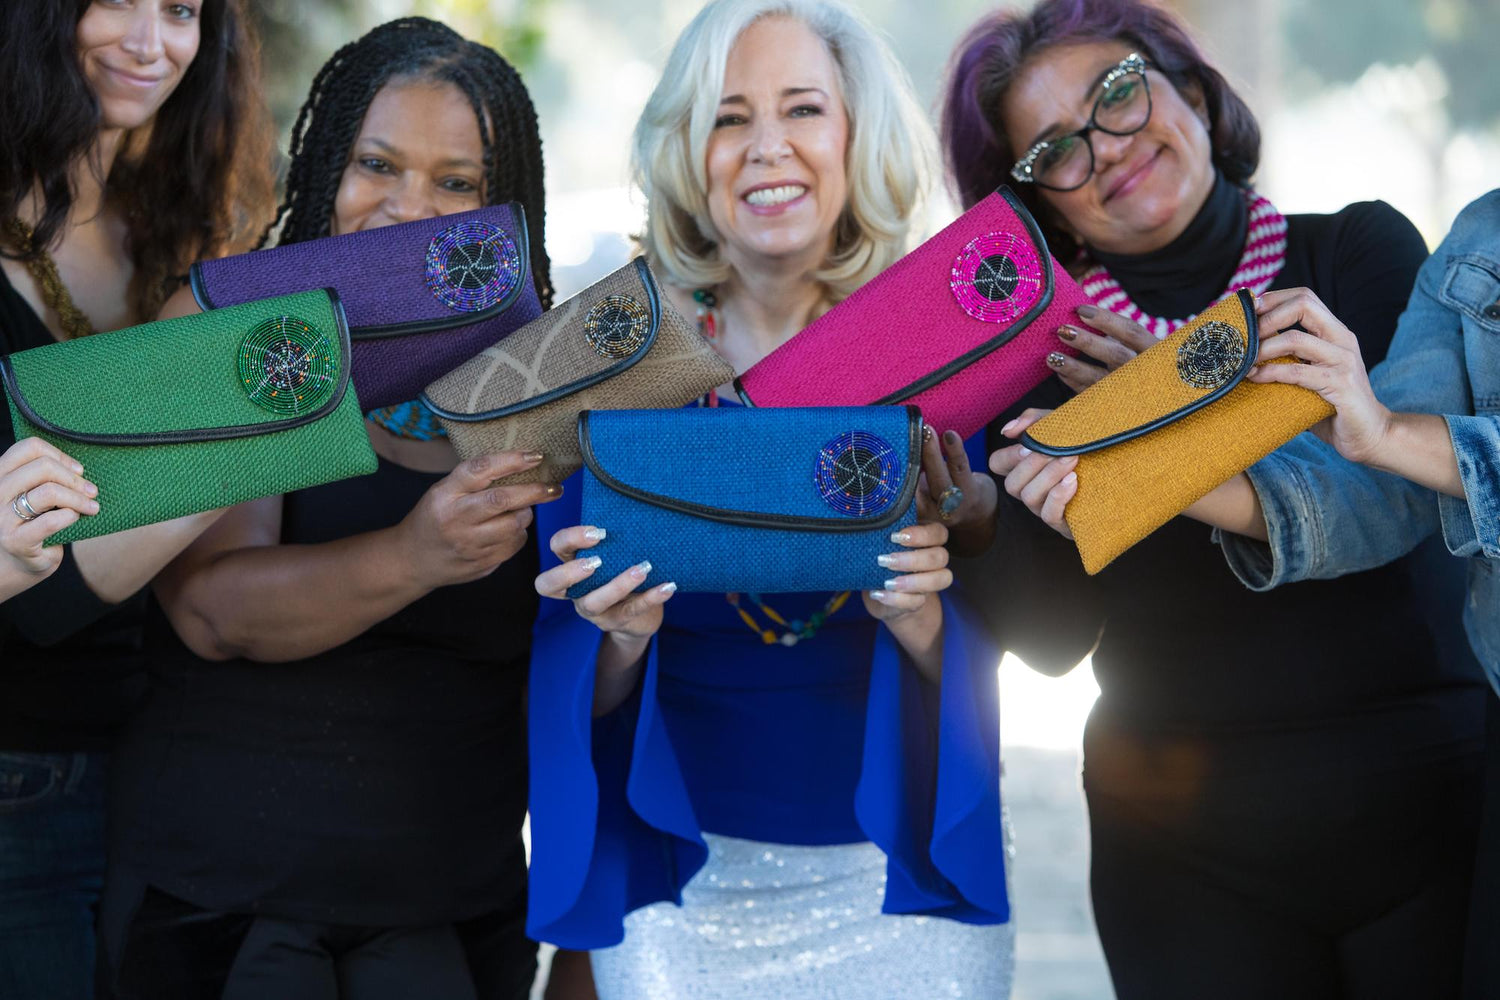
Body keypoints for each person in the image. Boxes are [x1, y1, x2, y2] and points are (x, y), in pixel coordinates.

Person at [940, 1, 1486, 997]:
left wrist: (1155, 399)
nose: (1105, 149)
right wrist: (976, 519)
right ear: (1037, 208)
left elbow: (1382, 498)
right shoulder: (1051, 363)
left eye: (1118, 93)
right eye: (1055, 150)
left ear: (1190, 88)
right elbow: (1057, 640)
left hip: (1426, 798)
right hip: (1182, 851)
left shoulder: (1358, 255)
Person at [527, 2, 1014, 998]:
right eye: (728, 116)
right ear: (687, 150)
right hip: (680, 878)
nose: (767, 148)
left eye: (803, 109)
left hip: (898, 879)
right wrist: (616, 636)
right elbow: (574, 675)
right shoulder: (609, 359)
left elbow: (1020, 633)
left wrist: (924, 619)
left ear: (855, 135)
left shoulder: (945, 346)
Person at [99, 18, 556, 999]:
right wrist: (414, 554)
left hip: (456, 919)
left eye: (457, 182)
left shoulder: (539, 377)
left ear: (503, 203)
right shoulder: (238, 318)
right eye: (375, 165)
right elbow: (209, 609)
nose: (405, 208)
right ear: (322, 170)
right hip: (218, 914)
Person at [0, 2, 274, 996]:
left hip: (159, 767)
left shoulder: (183, 233)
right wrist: (267, 435)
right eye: (114, 0)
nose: (151, 44)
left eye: (182, 10)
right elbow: (37, 592)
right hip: (23, 769)